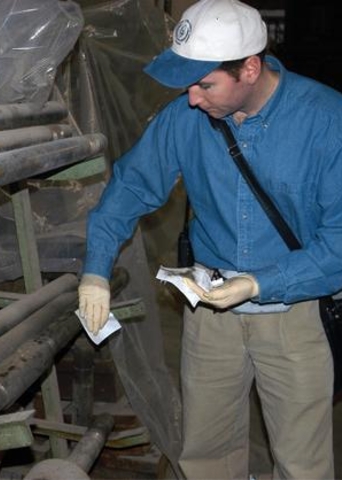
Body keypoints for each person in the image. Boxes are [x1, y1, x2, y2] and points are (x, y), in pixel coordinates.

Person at [78, 0, 342, 478]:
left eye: (205, 84)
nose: (194, 99)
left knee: (302, 462)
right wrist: (95, 270)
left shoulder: (326, 122)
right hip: (209, 316)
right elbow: (130, 187)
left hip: (296, 316)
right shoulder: (186, 118)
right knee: (205, 456)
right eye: (188, 85)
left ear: (250, 68)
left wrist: (260, 283)